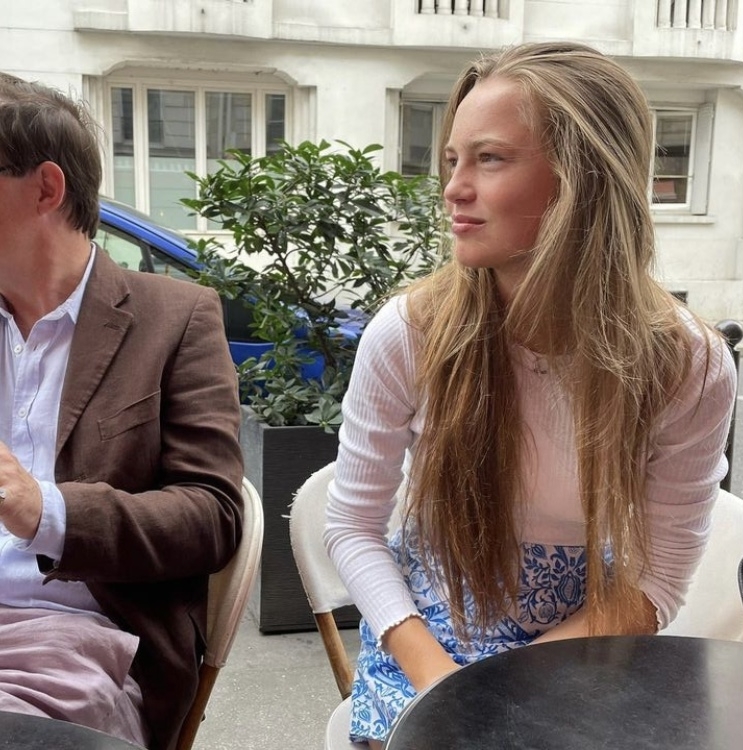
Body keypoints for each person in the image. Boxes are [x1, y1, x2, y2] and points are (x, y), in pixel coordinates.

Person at [324, 42, 738, 747]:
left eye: (488, 158)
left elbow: (658, 579)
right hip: (426, 650)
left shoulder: (685, 364)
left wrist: (514, 687)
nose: (453, 188)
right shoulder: (410, 334)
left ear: (584, 178)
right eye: (452, 160)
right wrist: (443, 684)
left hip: (588, 649)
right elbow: (351, 527)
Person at [0, 74, 244, 750]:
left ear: (46, 189)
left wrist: (45, 511)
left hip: (78, 638)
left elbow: (212, 515)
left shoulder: (174, 317)